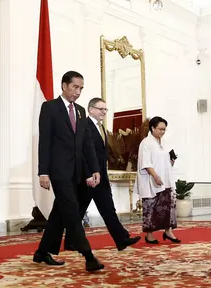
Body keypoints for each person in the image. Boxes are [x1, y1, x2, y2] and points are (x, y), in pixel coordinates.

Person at [33, 71, 105, 272]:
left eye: (81, 88)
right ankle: (88, 256)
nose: (78, 92)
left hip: (78, 171)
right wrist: (43, 172)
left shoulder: (81, 111)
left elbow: (87, 144)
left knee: (59, 213)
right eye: (75, 87)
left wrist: (94, 169)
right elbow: (44, 142)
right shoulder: (50, 108)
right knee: (72, 212)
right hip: (58, 171)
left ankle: (42, 252)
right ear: (64, 85)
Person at [64, 98, 141, 251]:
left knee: (108, 209)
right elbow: (82, 154)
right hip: (88, 177)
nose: (104, 112)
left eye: (105, 110)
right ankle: (70, 242)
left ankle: (121, 239)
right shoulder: (84, 126)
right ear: (91, 109)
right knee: (79, 210)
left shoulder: (101, 128)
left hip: (100, 176)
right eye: (101, 109)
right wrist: (89, 174)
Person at [136, 116, 181, 244]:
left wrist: (171, 161)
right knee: (151, 206)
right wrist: (155, 176)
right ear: (152, 128)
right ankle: (149, 234)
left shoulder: (165, 143)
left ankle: (168, 231)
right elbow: (145, 162)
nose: (162, 132)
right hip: (151, 179)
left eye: (164, 129)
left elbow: (165, 160)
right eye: (160, 129)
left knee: (168, 205)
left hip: (166, 178)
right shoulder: (146, 143)